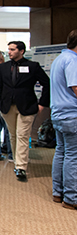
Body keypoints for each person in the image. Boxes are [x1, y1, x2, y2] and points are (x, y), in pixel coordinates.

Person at [0, 41, 50, 181]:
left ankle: (21, 167)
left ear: (21, 51)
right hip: (7, 107)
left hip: (27, 106)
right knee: (13, 135)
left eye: (13, 49)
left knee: (23, 136)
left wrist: (42, 103)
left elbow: (47, 83)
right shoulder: (3, 67)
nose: (9, 52)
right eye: (8, 49)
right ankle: (16, 160)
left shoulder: (32, 66)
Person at [50, 29, 77, 209]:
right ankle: (71, 198)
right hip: (71, 115)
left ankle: (58, 192)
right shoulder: (73, 60)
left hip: (58, 114)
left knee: (61, 152)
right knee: (73, 156)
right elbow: (75, 87)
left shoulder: (59, 59)